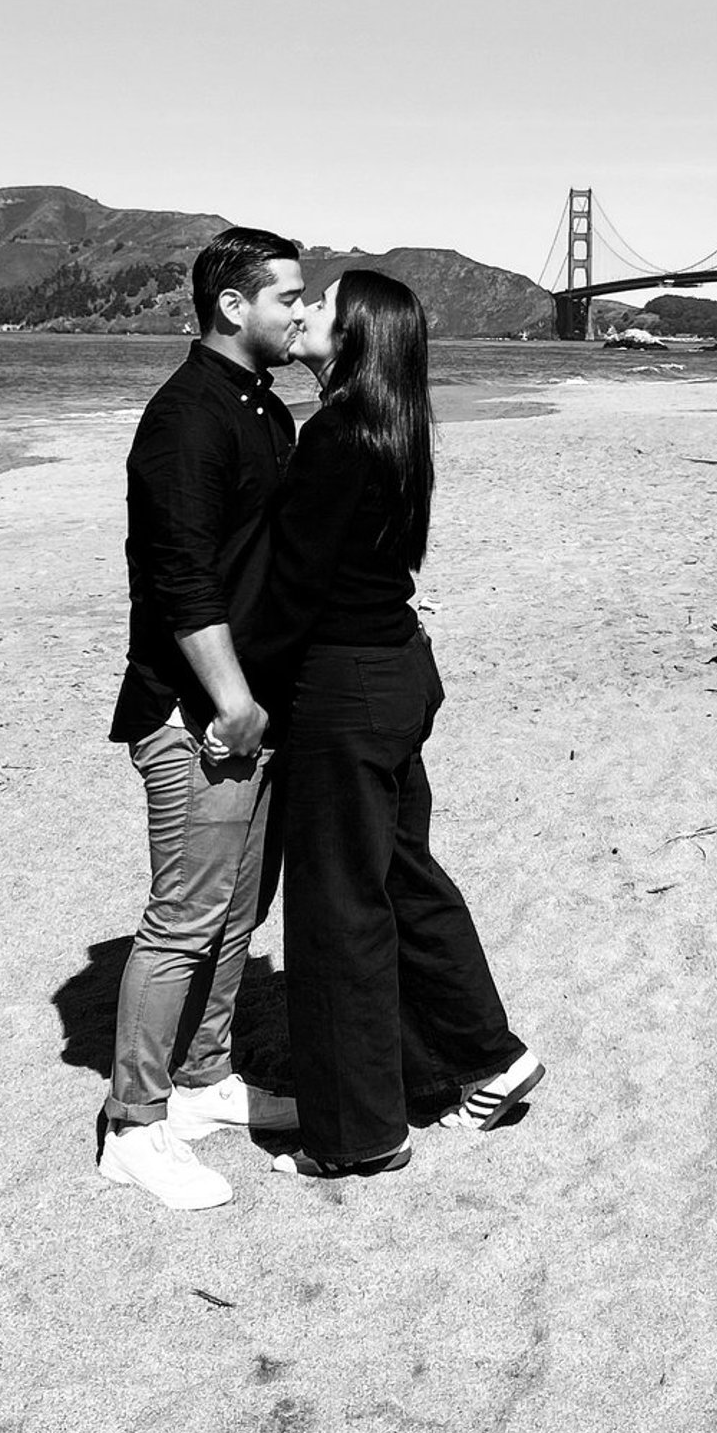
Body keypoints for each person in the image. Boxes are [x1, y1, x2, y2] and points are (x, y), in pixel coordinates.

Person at [247, 268, 542, 1180]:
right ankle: (488, 1053)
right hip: (399, 672)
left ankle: (358, 1131)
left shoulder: (336, 436)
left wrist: (243, 694)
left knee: (340, 908)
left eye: (322, 307)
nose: (305, 314)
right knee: (402, 875)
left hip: (345, 687)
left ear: (356, 337)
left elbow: (293, 591)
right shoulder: (397, 429)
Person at [98, 226, 306, 1210]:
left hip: (250, 712)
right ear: (234, 306)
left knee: (234, 912)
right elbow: (179, 578)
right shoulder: (187, 418)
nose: (302, 312)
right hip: (196, 714)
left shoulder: (264, 410)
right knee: (183, 921)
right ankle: (132, 1126)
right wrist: (228, 701)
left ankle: (203, 1079)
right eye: (289, 299)